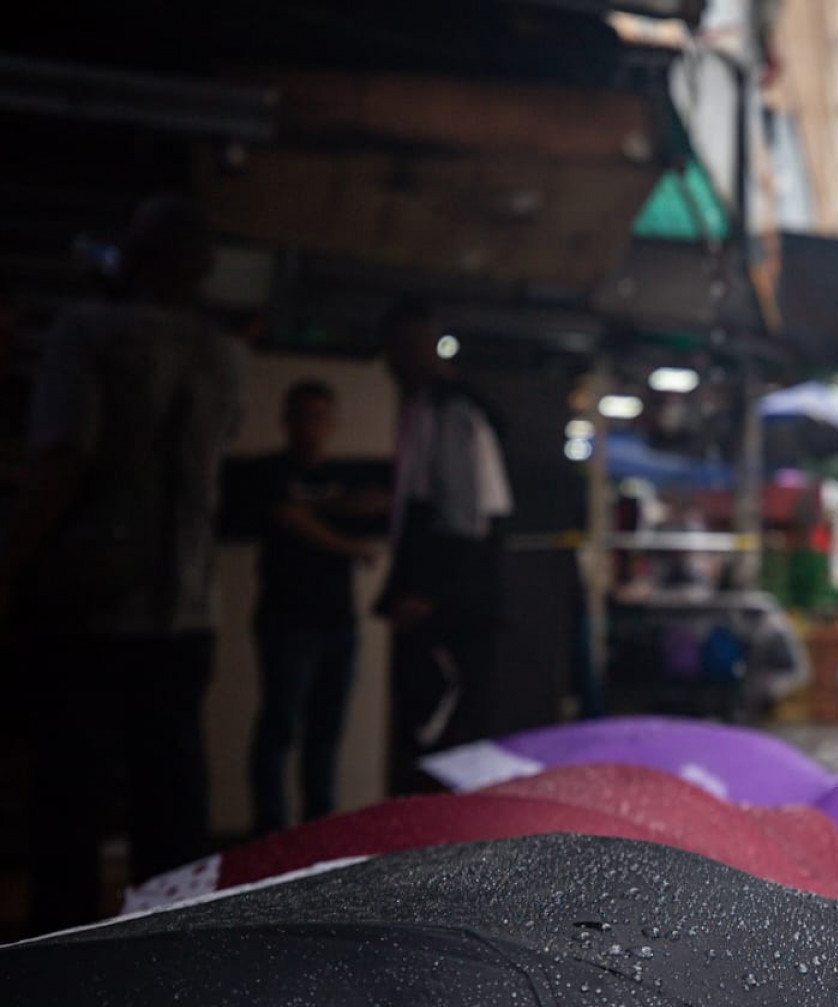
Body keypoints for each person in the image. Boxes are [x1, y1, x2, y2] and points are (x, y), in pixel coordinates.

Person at [0, 197, 245, 932]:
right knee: (171, 790)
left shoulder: (88, 334)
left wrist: (10, 568)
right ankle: (169, 951)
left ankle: (58, 953)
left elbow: (63, 460)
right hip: (190, 603)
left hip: (93, 600)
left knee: (70, 789)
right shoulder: (224, 353)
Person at [376, 299, 513, 794]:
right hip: (451, 597)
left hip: (454, 605)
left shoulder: (450, 410)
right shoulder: (431, 407)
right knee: (438, 733)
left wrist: (428, 592)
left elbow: (461, 516)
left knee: (442, 735)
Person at [246, 380, 385, 835]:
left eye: (319, 416)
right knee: (280, 726)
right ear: (286, 421)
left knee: (325, 735)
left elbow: (379, 500)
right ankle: (270, 829)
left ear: (331, 423)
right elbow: (289, 517)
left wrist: (330, 508)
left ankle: (318, 832)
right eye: (303, 415)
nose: (311, 426)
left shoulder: (340, 477)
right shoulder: (270, 473)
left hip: (337, 622)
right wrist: (348, 543)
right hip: (287, 620)